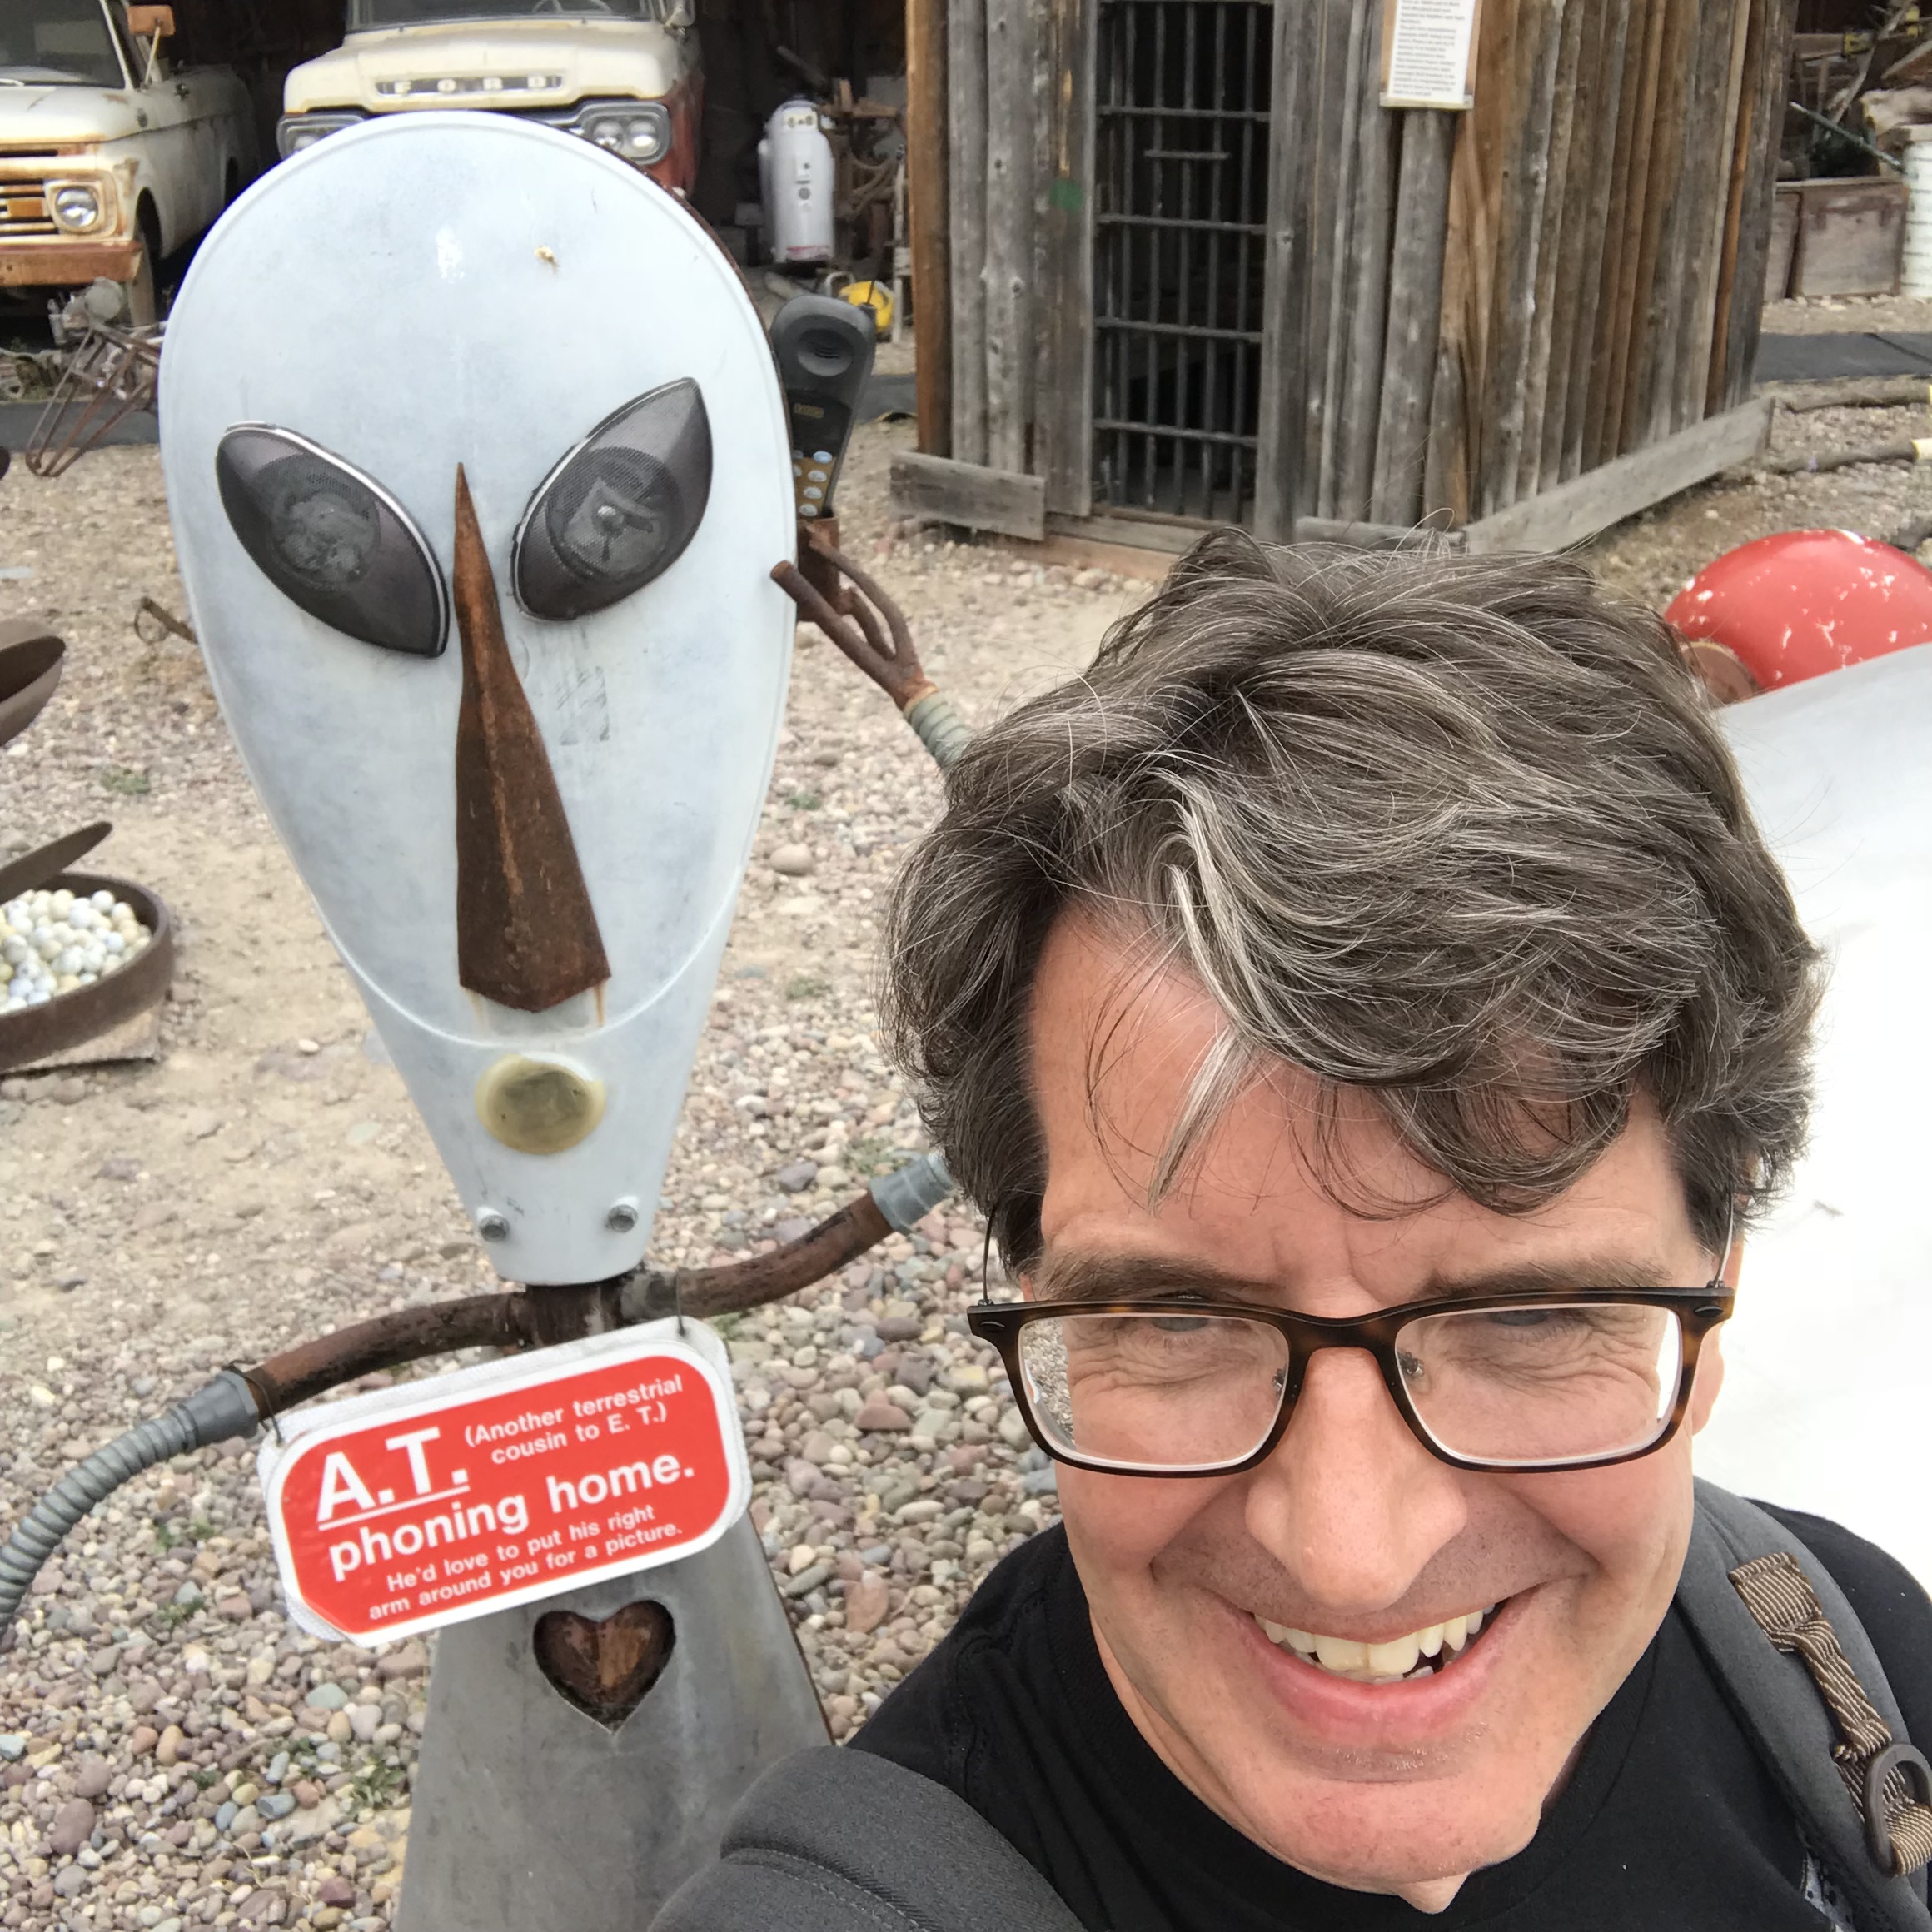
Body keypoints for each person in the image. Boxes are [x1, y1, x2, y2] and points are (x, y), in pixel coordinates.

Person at [660, 535, 1932, 1930]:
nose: (1352, 1555)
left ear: (1719, 1277)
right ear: (1031, 1279)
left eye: (1525, 1317)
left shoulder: (1846, 1656)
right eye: (1177, 1319)